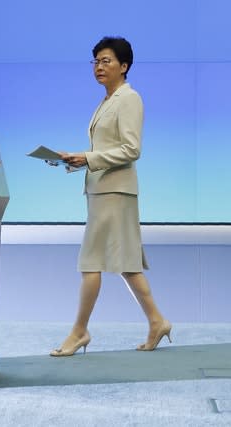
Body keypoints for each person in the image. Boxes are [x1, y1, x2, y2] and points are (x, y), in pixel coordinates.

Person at [50, 36, 171, 356]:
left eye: (106, 61)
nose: (99, 67)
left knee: (91, 261)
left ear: (124, 66)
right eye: (96, 61)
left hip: (115, 191)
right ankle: (157, 321)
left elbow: (132, 149)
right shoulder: (108, 100)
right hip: (104, 189)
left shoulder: (129, 99)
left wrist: (88, 158)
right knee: (126, 263)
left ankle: (79, 331)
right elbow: (109, 150)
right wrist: (77, 160)